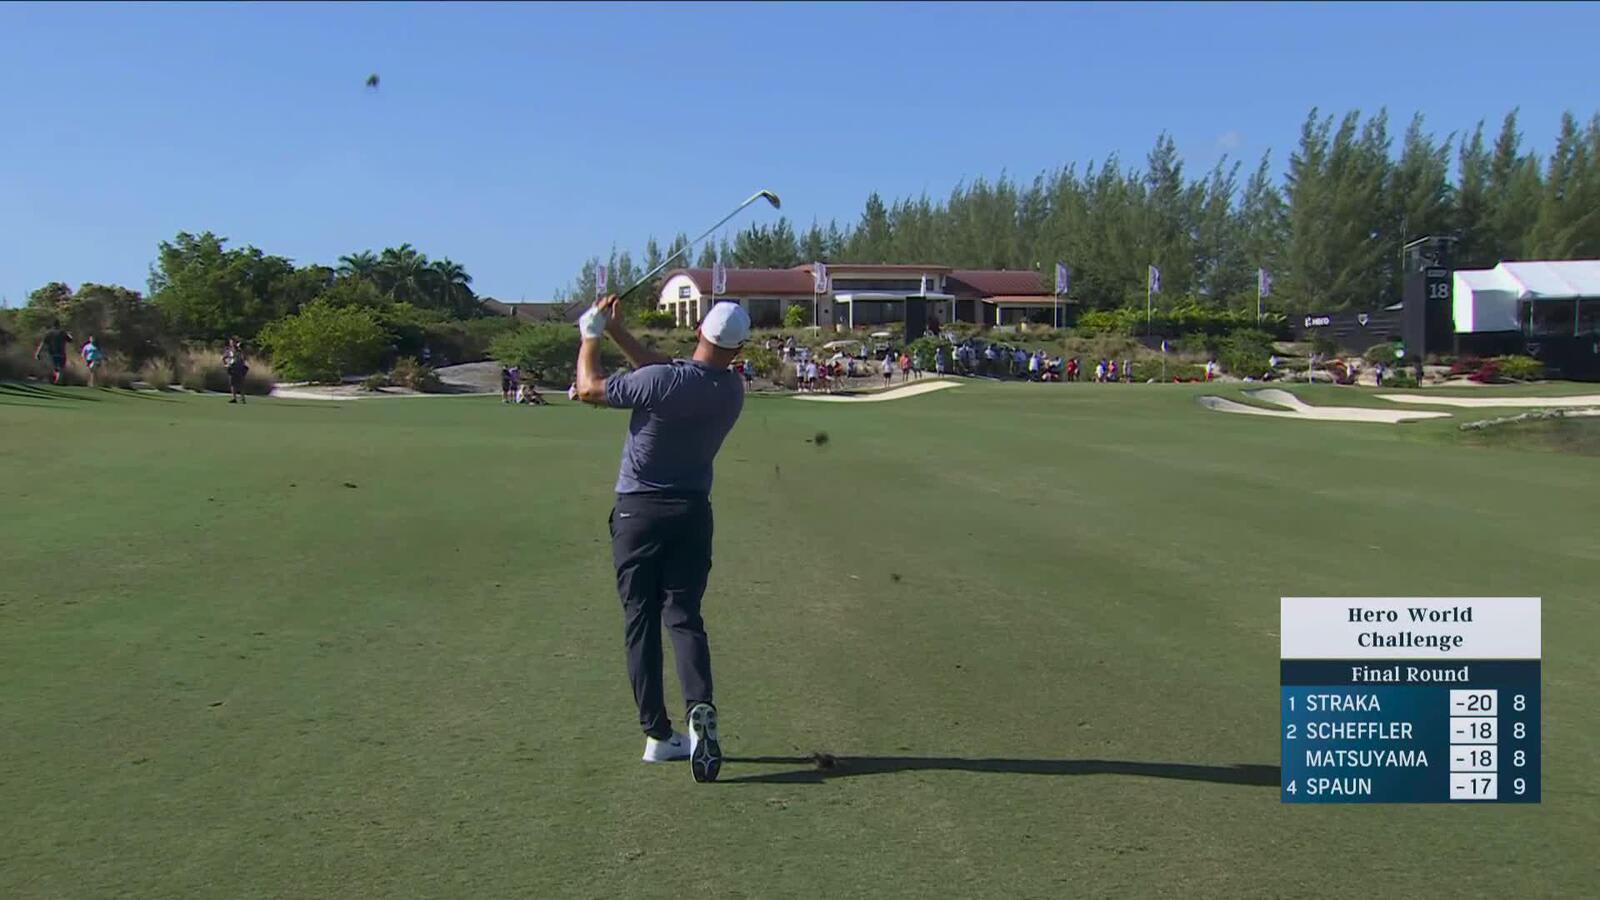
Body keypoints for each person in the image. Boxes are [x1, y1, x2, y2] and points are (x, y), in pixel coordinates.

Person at [572, 295, 749, 784]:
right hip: (693, 512)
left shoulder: (662, 382)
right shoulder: (732, 391)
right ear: (738, 350)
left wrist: (591, 333)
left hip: (638, 513)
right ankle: (700, 707)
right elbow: (664, 372)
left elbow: (588, 389)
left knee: (640, 620)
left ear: (699, 333)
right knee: (684, 615)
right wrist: (616, 331)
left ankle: (657, 734)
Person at [33, 320, 74, 385]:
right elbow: (71, 340)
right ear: (59, 325)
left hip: (53, 353)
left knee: (55, 368)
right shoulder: (63, 333)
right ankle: (57, 380)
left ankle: (56, 380)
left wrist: (38, 353)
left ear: (52, 326)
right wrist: (70, 334)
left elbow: (43, 344)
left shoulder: (49, 333)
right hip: (62, 353)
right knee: (60, 368)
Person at [223, 336, 250, 403]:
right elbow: (224, 358)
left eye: (233, 342)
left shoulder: (240, 350)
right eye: (231, 342)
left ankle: (242, 398)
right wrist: (226, 364)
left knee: (241, 384)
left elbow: (244, 358)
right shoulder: (228, 350)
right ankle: (234, 398)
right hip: (232, 368)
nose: (232, 343)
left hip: (240, 368)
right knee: (232, 384)